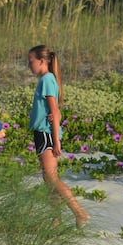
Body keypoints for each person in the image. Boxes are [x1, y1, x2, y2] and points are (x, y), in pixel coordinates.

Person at [27, 45, 90, 228]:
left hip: (46, 135)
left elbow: (54, 112)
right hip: (42, 134)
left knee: (52, 178)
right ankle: (56, 220)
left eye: (31, 61)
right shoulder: (47, 80)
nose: (29, 65)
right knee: (49, 180)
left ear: (42, 61)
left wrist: (56, 141)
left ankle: (79, 213)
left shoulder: (47, 79)